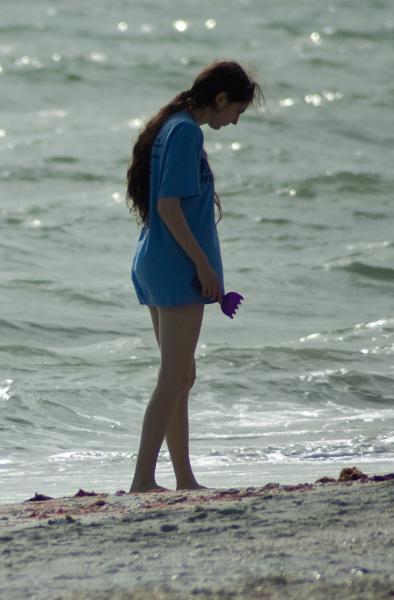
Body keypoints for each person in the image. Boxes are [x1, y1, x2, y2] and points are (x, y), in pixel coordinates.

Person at [126, 60, 264, 492]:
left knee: (182, 374)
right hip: (173, 265)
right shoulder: (186, 131)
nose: (235, 121)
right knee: (174, 376)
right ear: (220, 99)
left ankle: (183, 477)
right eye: (236, 111)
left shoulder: (173, 125)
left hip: (156, 260)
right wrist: (204, 265)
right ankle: (143, 480)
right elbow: (169, 207)